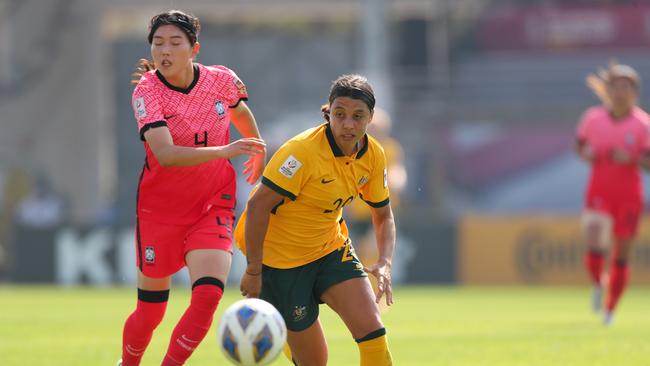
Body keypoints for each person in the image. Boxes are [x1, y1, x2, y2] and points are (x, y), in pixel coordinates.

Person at [118, 10, 266, 366]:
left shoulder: (222, 80)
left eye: (174, 43)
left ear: (194, 49)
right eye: (157, 43)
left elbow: (239, 111)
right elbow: (166, 155)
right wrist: (226, 150)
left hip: (213, 203)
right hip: (161, 210)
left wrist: (256, 145)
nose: (164, 51)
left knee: (208, 296)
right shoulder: (147, 92)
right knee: (151, 312)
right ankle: (128, 362)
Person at [237, 74, 395, 366]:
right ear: (329, 112)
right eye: (340, 114)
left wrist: (384, 262)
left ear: (371, 117)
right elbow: (257, 207)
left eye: (358, 116)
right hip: (280, 260)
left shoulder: (374, 154)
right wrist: (254, 271)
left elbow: (383, 214)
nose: (348, 124)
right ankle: (282, 334)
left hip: (329, 249)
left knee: (374, 334)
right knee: (314, 361)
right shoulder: (302, 152)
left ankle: (281, 329)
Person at [576, 62, 650, 325]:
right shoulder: (592, 118)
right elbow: (579, 147)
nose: (620, 92)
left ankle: (610, 310)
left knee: (621, 253)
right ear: (608, 90)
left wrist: (630, 158)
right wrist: (587, 155)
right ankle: (598, 282)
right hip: (599, 191)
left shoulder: (643, 124)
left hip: (629, 196)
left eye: (626, 87)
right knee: (595, 249)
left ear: (634, 92)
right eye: (616, 86)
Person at [346, 108, 406, 274]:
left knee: (376, 251)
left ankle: (374, 293)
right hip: (358, 211)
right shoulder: (355, 148)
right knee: (357, 253)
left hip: (381, 211)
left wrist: (397, 181)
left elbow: (397, 171)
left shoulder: (391, 148)